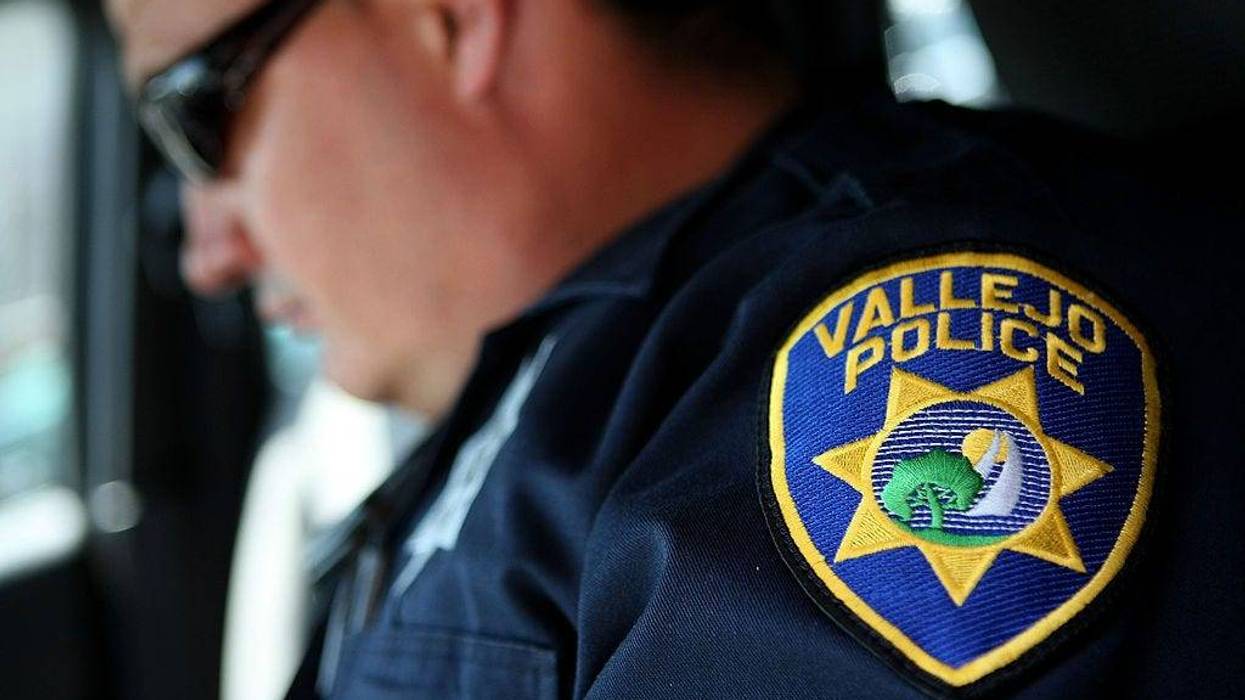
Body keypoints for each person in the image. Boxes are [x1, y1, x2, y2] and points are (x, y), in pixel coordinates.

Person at [106, 0, 1243, 697]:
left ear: (453, 16)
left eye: (195, 115)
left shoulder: (897, 340)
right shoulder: (581, 379)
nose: (209, 247)